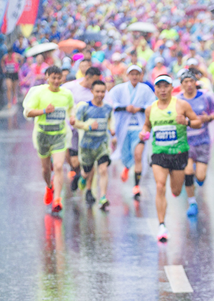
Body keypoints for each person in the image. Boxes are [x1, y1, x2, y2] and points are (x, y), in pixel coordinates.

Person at [140, 73, 203, 242]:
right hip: (159, 154)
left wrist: (187, 122)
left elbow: (198, 122)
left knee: (175, 190)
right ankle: (162, 225)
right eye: (159, 87)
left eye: (165, 86)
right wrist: (144, 132)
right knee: (160, 186)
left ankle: (180, 193)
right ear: (155, 90)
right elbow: (147, 125)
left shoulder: (181, 105)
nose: (162, 90)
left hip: (178, 153)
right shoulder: (150, 109)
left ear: (171, 88)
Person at [23, 66, 75, 214]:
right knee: (46, 169)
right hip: (43, 134)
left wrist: (72, 117)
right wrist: (44, 111)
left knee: (58, 166)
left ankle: (57, 199)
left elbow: (71, 108)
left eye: (59, 78)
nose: (56, 81)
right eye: (53, 78)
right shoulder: (39, 93)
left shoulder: (67, 94)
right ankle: (49, 186)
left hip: (59, 134)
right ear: (47, 78)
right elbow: (28, 112)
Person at [106, 64, 156, 200]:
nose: (134, 77)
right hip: (123, 129)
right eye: (132, 74)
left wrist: (139, 109)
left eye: (137, 74)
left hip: (140, 128)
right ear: (127, 76)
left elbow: (152, 105)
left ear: (140, 76)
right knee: (126, 154)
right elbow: (111, 103)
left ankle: (136, 186)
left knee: (138, 155)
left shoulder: (145, 90)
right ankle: (127, 167)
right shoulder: (119, 89)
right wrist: (124, 108)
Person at [178, 70, 214, 217]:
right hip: (186, 142)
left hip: (202, 141)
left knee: (200, 176)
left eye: (191, 81)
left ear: (195, 82)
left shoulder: (206, 97)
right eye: (185, 82)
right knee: (188, 171)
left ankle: (199, 178)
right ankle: (192, 202)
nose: (189, 85)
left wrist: (208, 118)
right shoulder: (178, 100)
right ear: (181, 84)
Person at [73, 80, 115, 210]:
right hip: (87, 146)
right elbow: (75, 123)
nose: (100, 94)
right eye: (97, 91)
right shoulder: (84, 107)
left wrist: (112, 130)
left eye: (103, 91)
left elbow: (110, 121)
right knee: (88, 171)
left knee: (103, 170)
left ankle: (103, 197)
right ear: (92, 92)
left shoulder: (108, 107)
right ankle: (82, 177)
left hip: (102, 145)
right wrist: (87, 126)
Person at [63, 67, 101, 192]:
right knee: (75, 162)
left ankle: (89, 190)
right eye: (93, 81)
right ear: (87, 78)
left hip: (89, 131)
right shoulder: (70, 87)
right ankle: (78, 174)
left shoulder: (95, 91)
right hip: (72, 129)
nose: (95, 85)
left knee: (91, 160)